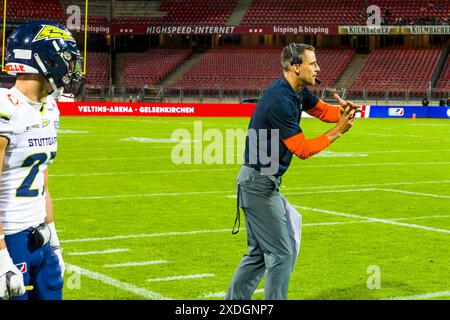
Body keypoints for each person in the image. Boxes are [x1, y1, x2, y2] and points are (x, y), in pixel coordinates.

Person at [225, 43, 359, 300]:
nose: (318, 68)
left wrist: (344, 111)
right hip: (259, 184)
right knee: (281, 253)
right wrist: (339, 131)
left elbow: (323, 111)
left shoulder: (296, 91)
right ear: (296, 67)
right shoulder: (280, 100)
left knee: (259, 255)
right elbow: (302, 149)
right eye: (313, 63)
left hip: (258, 181)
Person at [0, 20, 84, 300]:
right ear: (45, 59)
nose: (71, 70)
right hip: (9, 240)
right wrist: (0, 256)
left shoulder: (51, 109)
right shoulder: (6, 108)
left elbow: (43, 181)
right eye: (66, 60)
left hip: (40, 238)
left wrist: (54, 238)